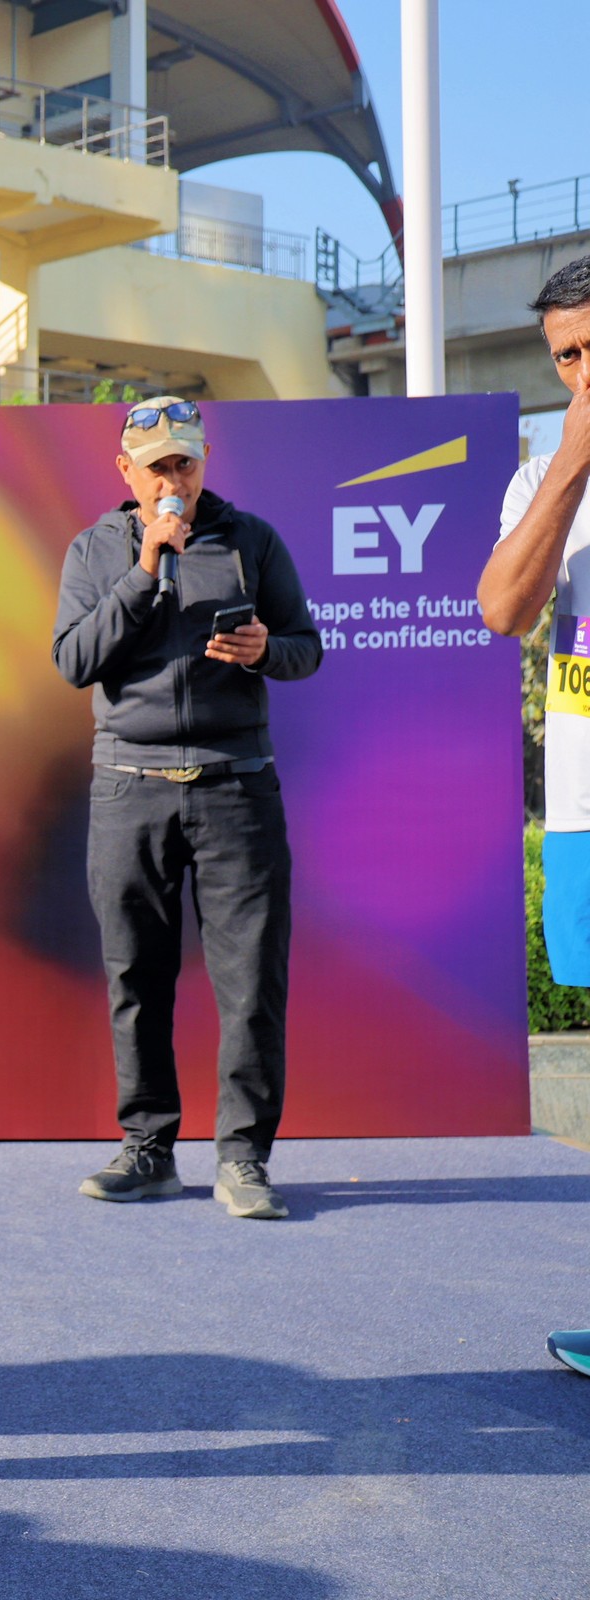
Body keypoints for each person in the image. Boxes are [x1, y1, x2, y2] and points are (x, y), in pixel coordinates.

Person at [51, 397, 322, 1220]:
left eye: (186, 463)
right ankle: (149, 1149)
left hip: (236, 786)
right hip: (128, 787)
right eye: (159, 466)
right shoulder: (94, 550)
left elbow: (306, 648)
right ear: (126, 472)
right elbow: (74, 660)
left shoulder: (252, 541)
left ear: (204, 463)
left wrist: (264, 651)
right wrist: (144, 572)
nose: (175, 479)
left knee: (251, 980)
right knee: (136, 975)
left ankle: (244, 1158)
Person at [475, 251, 590, 1381]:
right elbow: (505, 607)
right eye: (567, 356)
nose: (583, 371)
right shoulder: (539, 477)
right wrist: (572, 463)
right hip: (585, 807)